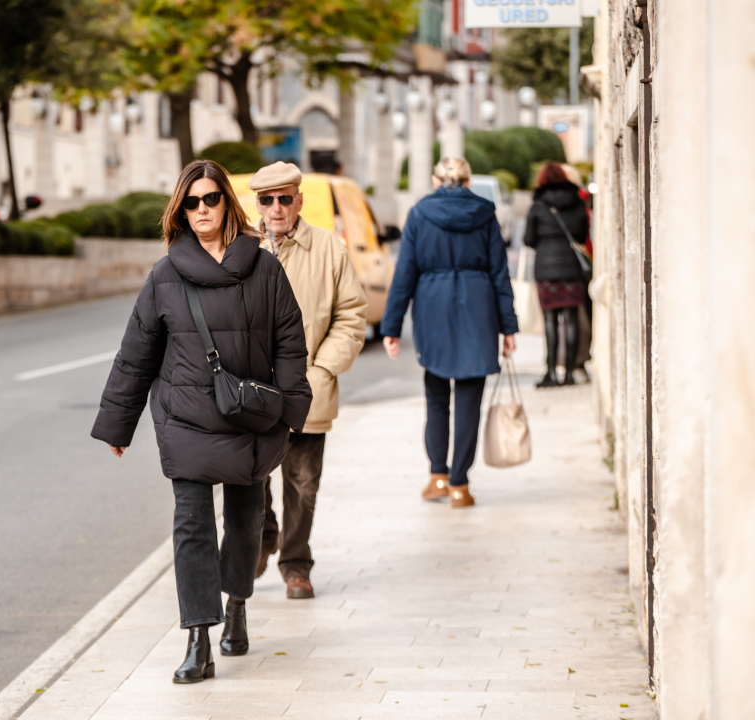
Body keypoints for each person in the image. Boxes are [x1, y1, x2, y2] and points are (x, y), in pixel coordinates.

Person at [91, 160, 311, 684]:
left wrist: (290, 410)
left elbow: (289, 342)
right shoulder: (166, 275)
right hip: (186, 420)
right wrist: (118, 425)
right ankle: (198, 636)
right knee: (191, 526)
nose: (201, 210)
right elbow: (136, 353)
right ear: (179, 210)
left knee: (243, 522)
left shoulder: (264, 269)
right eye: (191, 203)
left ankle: (236, 603)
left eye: (210, 199)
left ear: (227, 204)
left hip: (251, 419)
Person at [251, 162, 368, 599]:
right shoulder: (241, 247)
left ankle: (296, 564)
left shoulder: (328, 248)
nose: (277, 208)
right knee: (250, 476)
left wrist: (321, 370)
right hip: (253, 391)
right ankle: (263, 539)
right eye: (268, 200)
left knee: (303, 483)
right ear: (257, 204)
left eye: (285, 198)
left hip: (308, 389)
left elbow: (352, 314)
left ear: (300, 200)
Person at [380, 157, 518, 508]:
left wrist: (392, 326)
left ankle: (437, 476)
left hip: (433, 308)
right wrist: (508, 327)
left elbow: (404, 274)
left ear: (435, 180)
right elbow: (500, 274)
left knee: (437, 397)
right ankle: (460, 484)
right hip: (479, 309)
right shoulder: (485, 214)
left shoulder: (418, 214)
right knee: (470, 399)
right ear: (468, 182)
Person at [523, 161, 590, 387]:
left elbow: (528, 239)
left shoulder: (538, 204)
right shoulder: (577, 201)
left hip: (546, 270)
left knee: (550, 320)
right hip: (571, 267)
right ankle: (570, 373)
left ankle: (551, 373)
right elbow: (581, 235)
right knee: (571, 319)